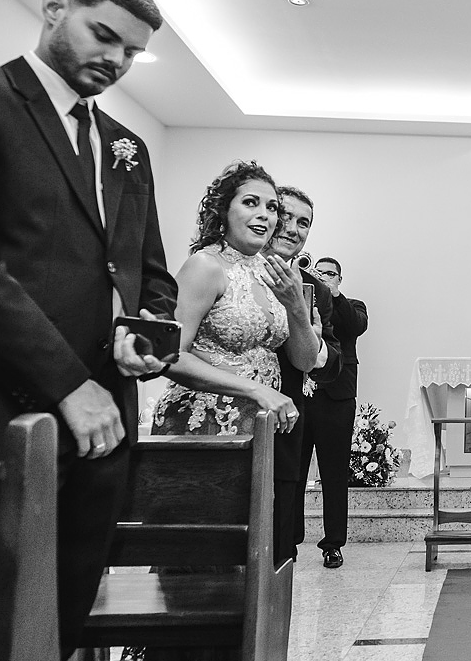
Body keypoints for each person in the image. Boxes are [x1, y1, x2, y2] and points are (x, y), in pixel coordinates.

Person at [0, 0, 178, 658]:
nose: (117, 60)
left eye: (132, 51)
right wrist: (69, 384)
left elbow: (149, 271)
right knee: (3, 620)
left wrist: (145, 337)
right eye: (104, 35)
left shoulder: (128, 147)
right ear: (53, 8)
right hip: (9, 413)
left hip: (107, 421)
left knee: (64, 617)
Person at [151, 161, 308, 438]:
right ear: (224, 210)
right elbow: (169, 355)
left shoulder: (271, 272)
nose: (264, 215)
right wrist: (256, 389)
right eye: (250, 203)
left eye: (272, 208)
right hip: (200, 421)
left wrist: (297, 308)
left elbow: (305, 362)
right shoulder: (205, 266)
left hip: (255, 425)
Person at [269, 186, 342, 566]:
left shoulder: (316, 290)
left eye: (304, 223)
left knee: (277, 551)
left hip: (285, 420)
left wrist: (313, 340)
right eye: (285, 216)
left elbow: (329, 361)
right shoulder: (225, 269)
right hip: (229, 415)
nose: (293, 229)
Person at [300, 256, 368, 569]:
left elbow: (354, 327)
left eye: (331, 274)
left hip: (337, 397)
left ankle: (333, 544)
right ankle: (288, 541)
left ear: (340, 278)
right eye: (320, 272)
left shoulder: (352, 305)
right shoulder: (302, 302)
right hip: (300, 396)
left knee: (334, 474)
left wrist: (332, 294)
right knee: (294, 472)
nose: (325, 277)